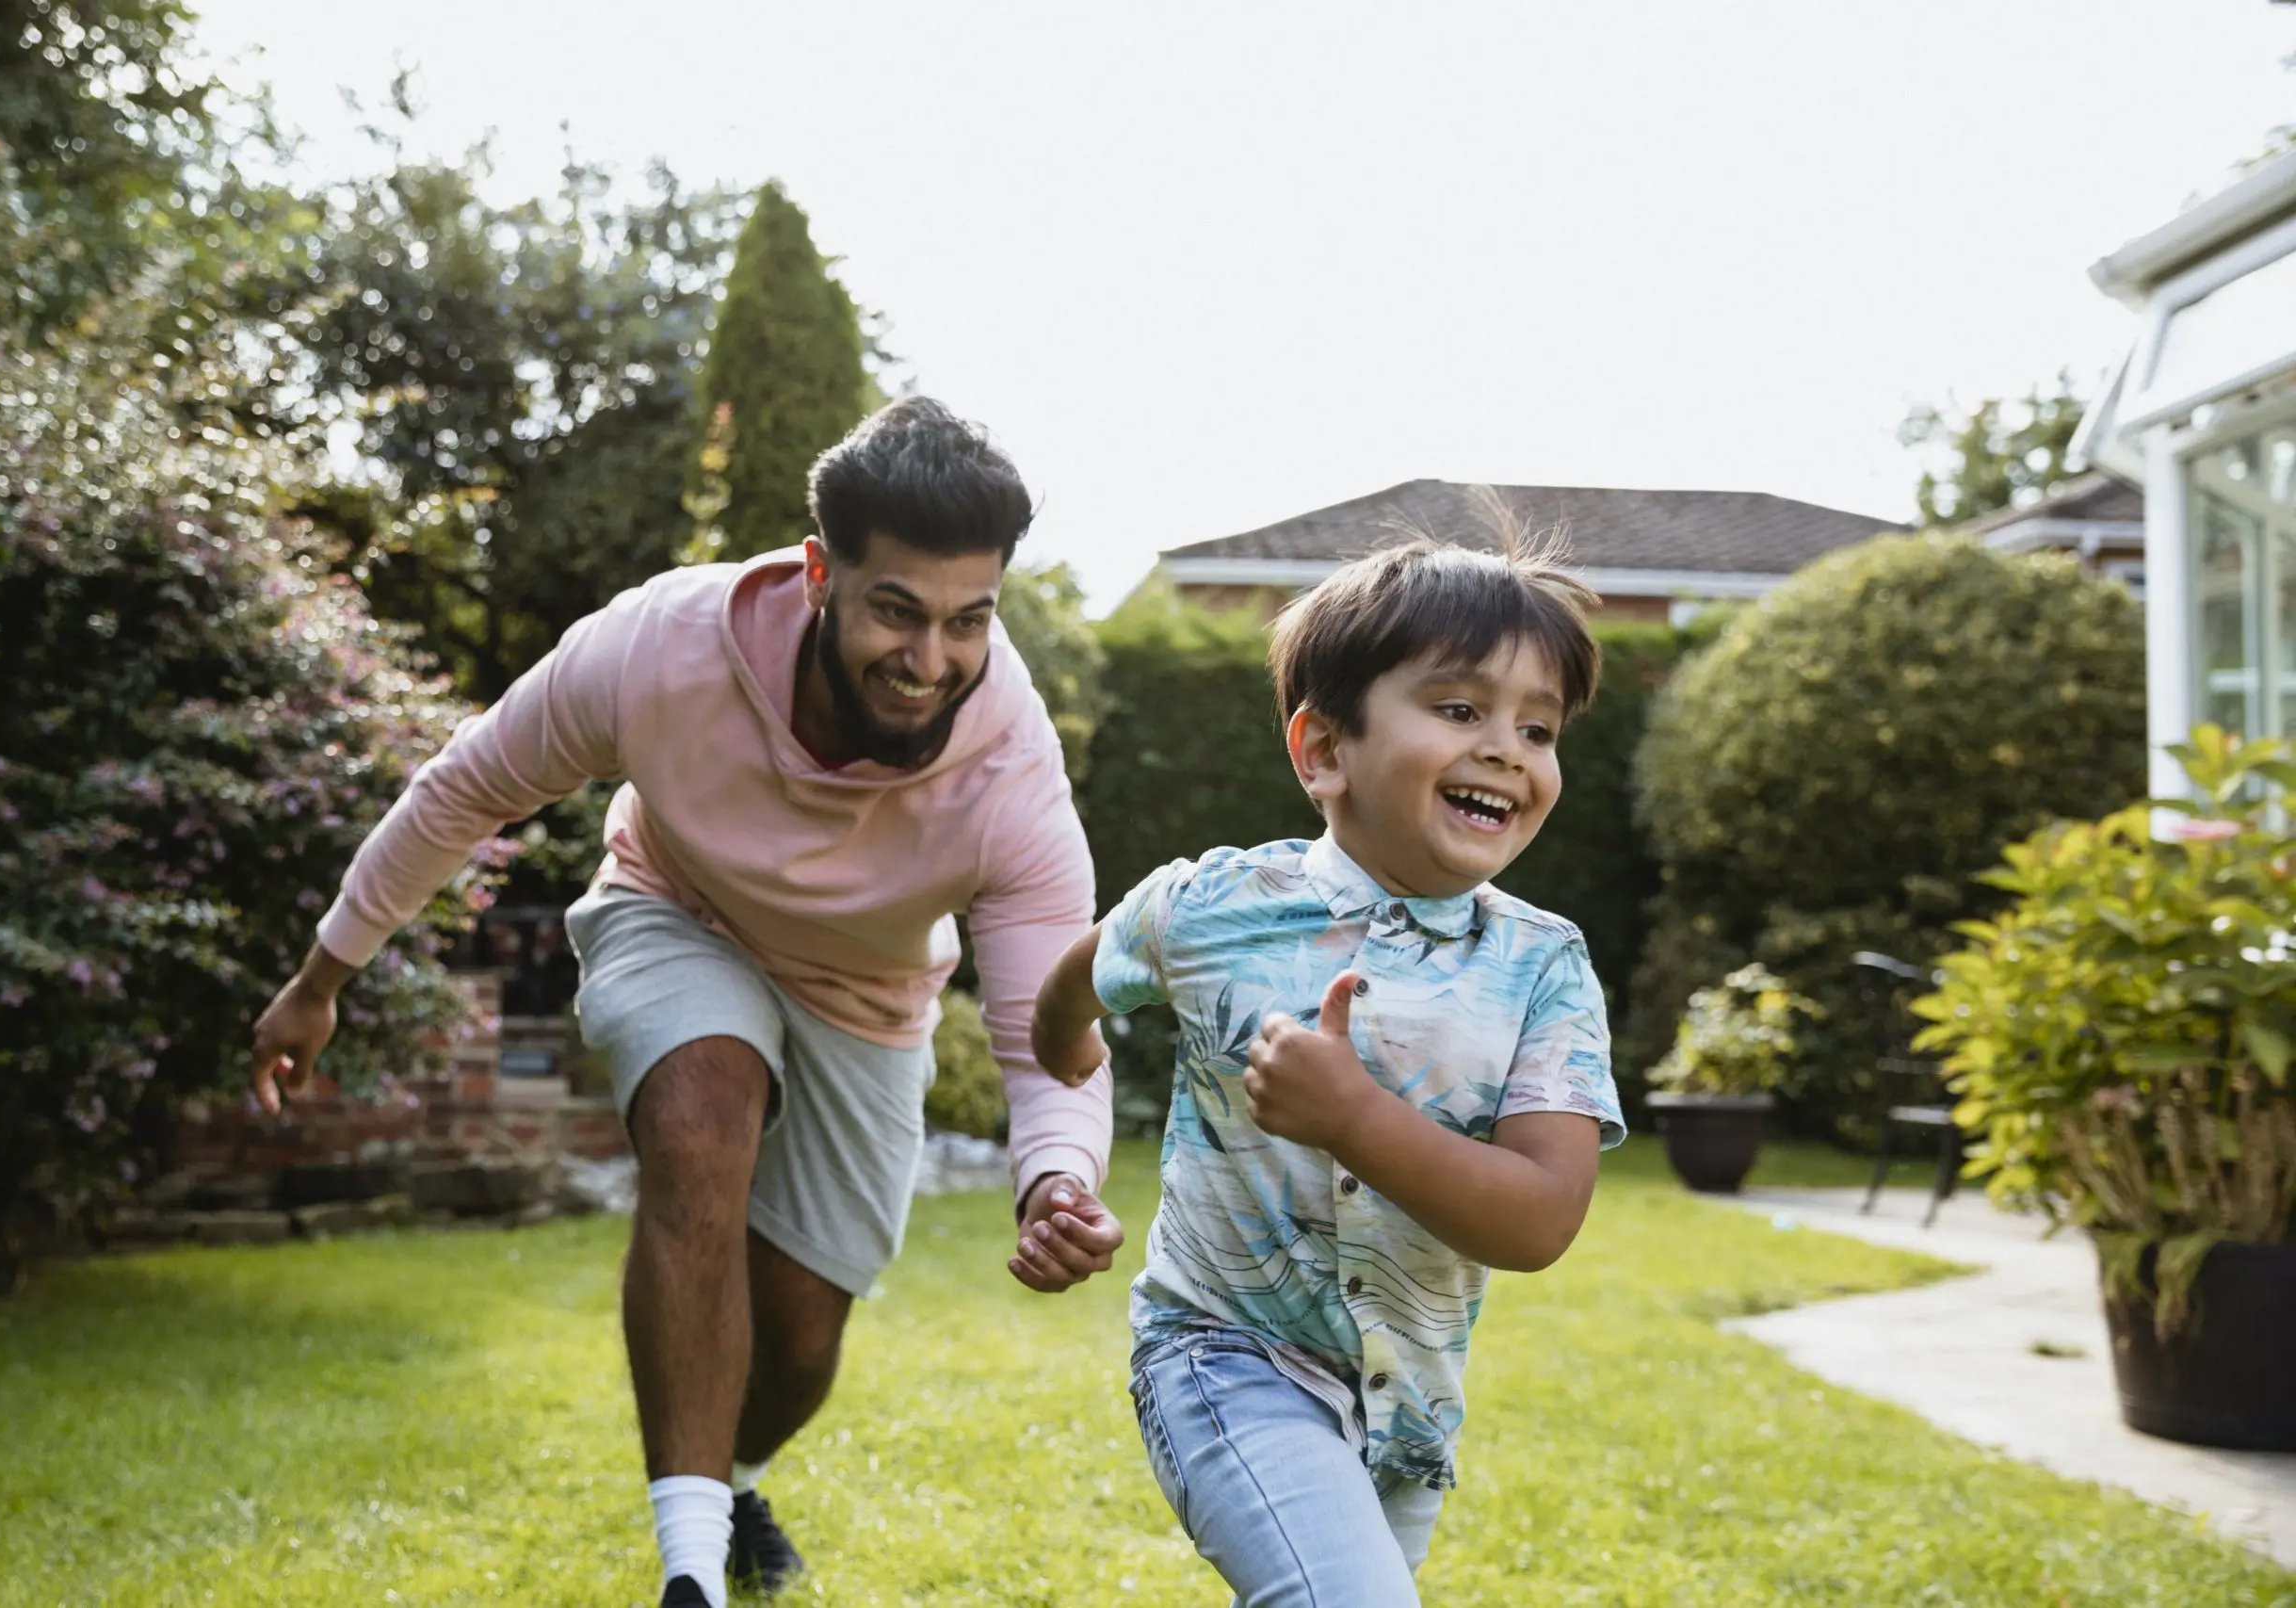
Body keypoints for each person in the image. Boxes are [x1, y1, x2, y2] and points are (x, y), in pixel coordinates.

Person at [248, 398, 1126, 1608]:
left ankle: (738, 1476)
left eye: (966, 621)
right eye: (895, 612)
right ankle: (688, 1574)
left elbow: (1049, 1022)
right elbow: (463, 791)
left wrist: (1059, 1176)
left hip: (869, 994)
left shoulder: (1011, 770)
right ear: (821, 573)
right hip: (679, 909)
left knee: (803, 1335)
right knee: (697, 1122)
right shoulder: (656, 649)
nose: (930, 662)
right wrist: (320, 978)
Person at [1030, 536, 1625, 1606]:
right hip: (1220, 1355)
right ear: (1323, 751)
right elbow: (1079, 976)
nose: (1506, 750)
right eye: (1459, 710)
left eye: (1537, 728)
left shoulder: (1545, 968)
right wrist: (1068, 1057)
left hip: (1408, 1411)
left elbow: (1539, 1220)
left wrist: (1352, 1116)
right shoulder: (1208, 909)